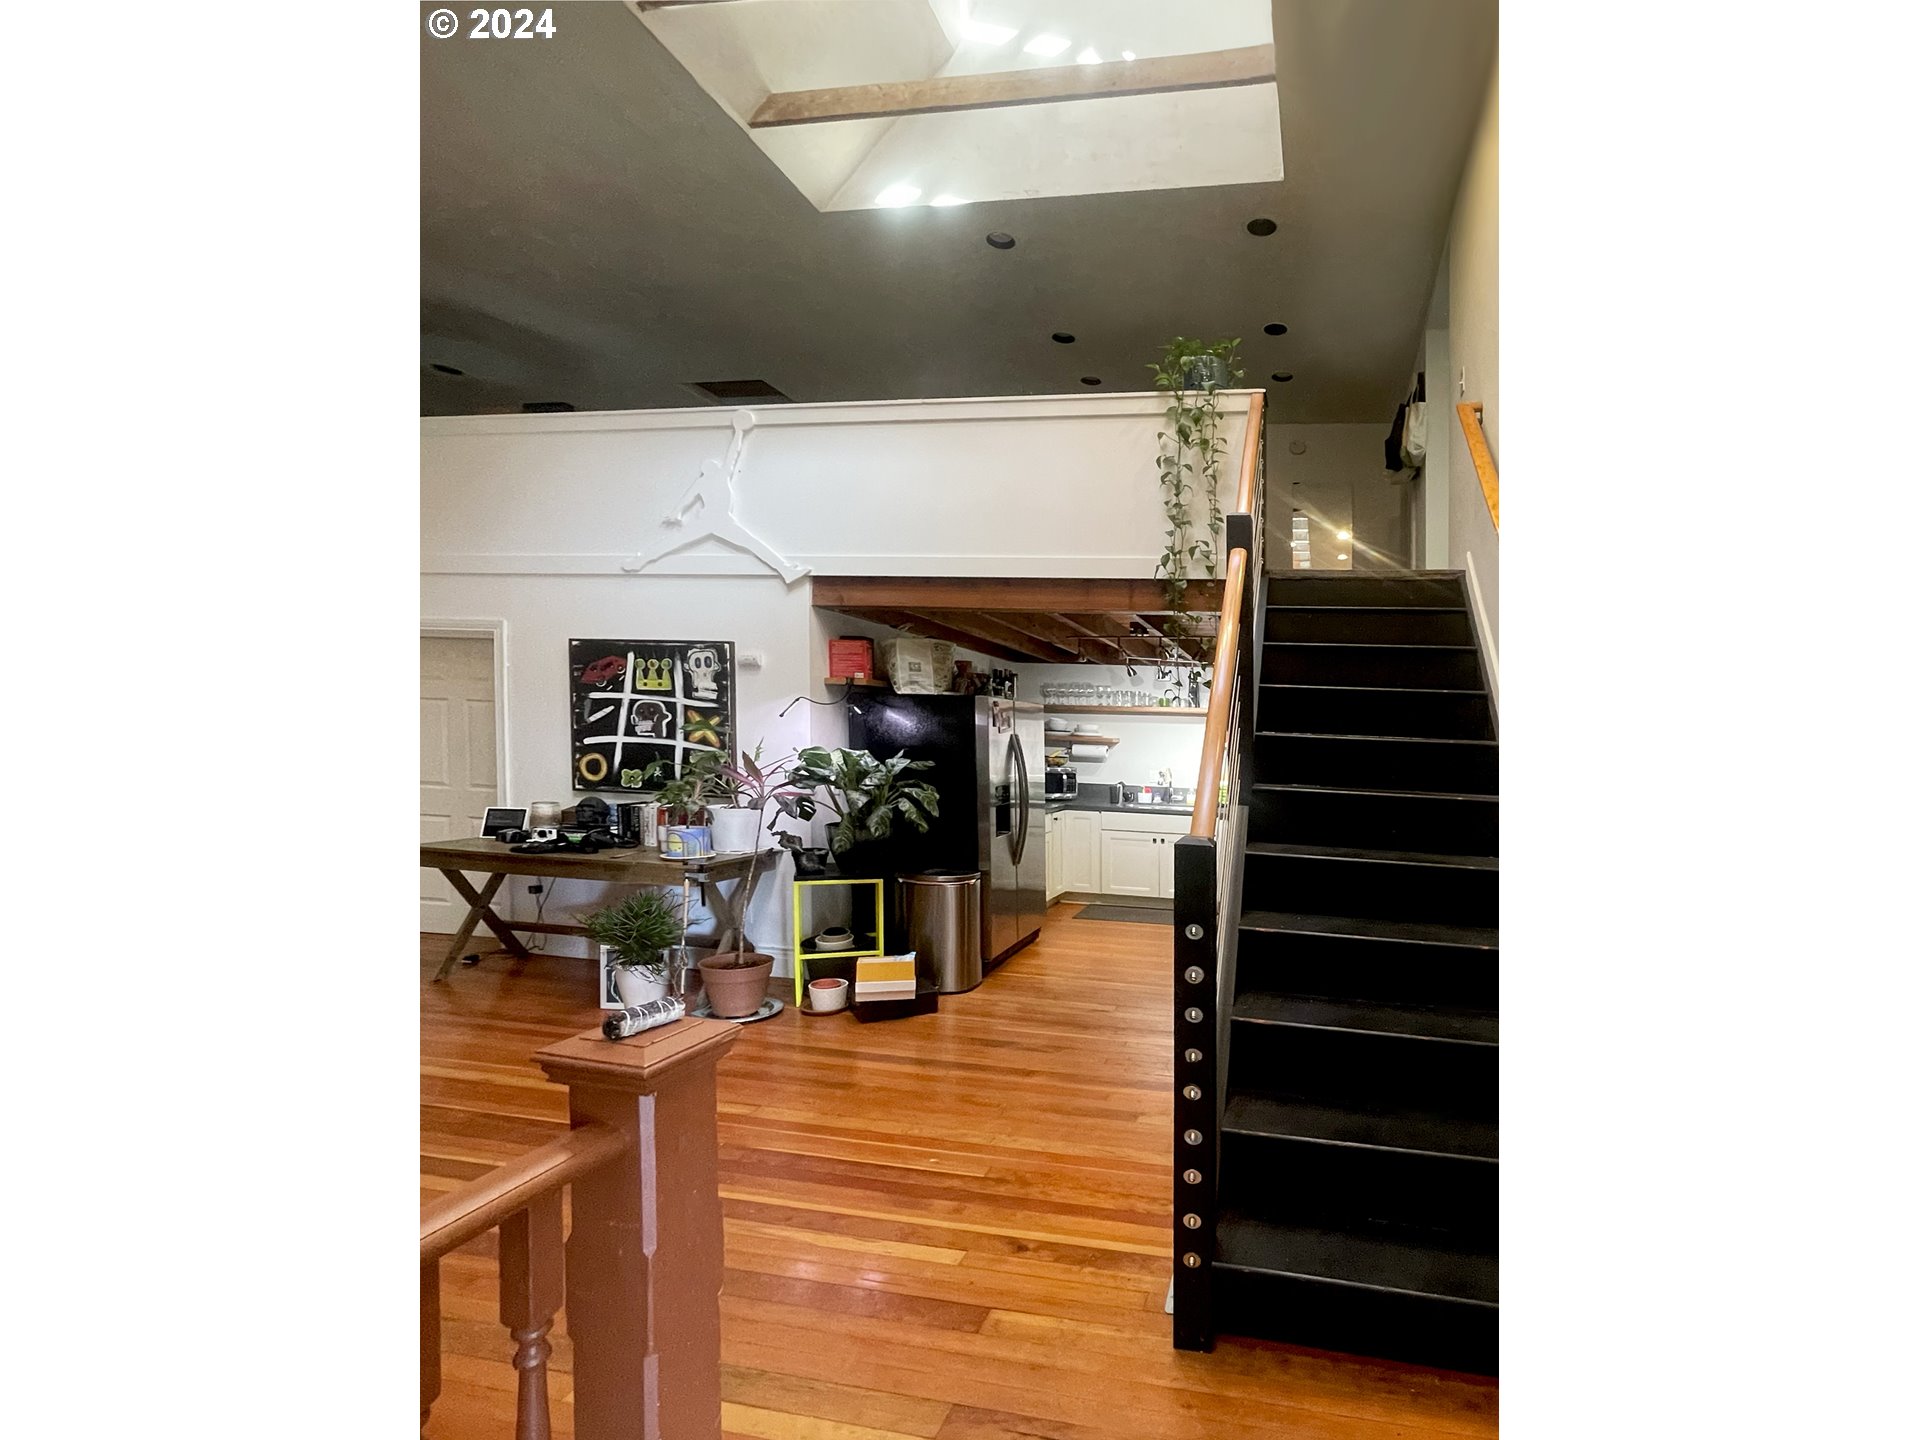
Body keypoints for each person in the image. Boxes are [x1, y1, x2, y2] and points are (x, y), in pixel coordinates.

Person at [624, 410, 809, 582]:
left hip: (718, 520)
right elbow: (732, 456)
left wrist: (677, 513)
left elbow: (686, 500)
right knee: (751, 545)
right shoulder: (716, 477)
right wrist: (738, 433)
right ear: (709, 469)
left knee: (675, 542)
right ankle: (785, 570)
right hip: (714, 520)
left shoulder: (709, 480)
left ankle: (786, 571)